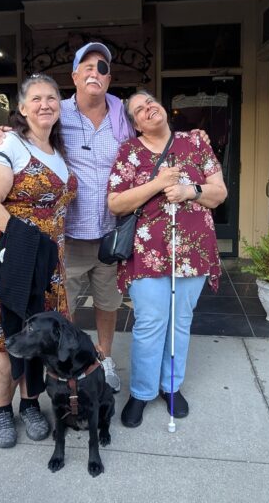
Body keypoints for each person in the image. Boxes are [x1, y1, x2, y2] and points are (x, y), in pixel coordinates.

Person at [0, 42, 132, 393]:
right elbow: (22, 136)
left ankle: (104, 360)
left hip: (112, 233)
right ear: (75, 75)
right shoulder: (55, 110)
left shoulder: (122, 115)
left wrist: (192, 137)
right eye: (88, 66)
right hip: (69, 234)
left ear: (109, 79)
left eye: (103, 68)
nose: (95, 73)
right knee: (60, 308)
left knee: (108, 303)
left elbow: (155, 133)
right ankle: (63, 368)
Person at [0, 74, 77, 448]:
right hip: (9, 257)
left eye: (52, 98)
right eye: (36, 98)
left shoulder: (57, 152)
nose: (45, 104)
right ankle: (1, 411)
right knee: (4, 337)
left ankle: (30, 403)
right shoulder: (9, 144)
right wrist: (28, 241)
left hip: (46, 264)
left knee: (39, 336)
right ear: (22, 107)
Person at [106, 90, 227, 428]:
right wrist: (157, 184)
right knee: (149, 323)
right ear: (135, 125)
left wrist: (192, 191)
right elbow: (115, 203)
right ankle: (142, 392)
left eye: (150, 103)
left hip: (194, 252)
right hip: (147, 253)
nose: (148, 109)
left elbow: (219, 194)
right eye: (139, 110)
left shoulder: (195, 143)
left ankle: (170, 387)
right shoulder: (129, 153)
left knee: (180, 321)